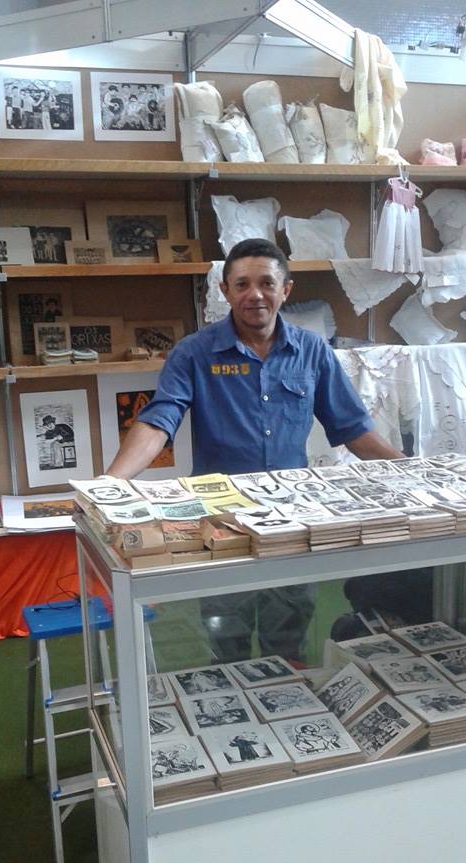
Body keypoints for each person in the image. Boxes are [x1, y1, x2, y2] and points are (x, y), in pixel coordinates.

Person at [105, 237, 402, 663]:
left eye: (266, 283)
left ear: (286, 290)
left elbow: (354, 430)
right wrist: (111, 483)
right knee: (226, 638)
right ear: (224, 291)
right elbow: (158, 421)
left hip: (293, 519)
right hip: (222, 521)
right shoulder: (194, 353)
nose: (255, 295)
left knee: (290, 637)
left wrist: (412, 471)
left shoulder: (312, 351)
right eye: (242, 284)